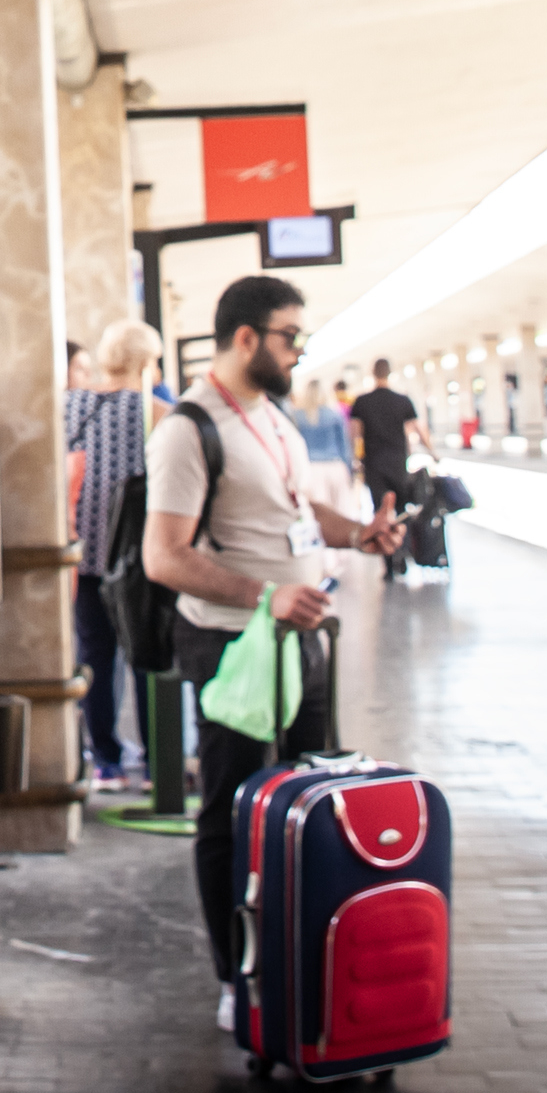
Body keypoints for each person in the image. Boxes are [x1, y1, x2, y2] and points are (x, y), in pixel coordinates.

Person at [143, 275, 399, 1031]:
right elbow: (164, 555)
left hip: (299, 639)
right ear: (247, 337)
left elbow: (294, 507)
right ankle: (235, 976)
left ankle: (291, 954)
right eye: (291, 335)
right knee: (230, 810)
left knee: (302, 805)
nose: (300, 350)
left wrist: (356, 533)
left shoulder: (273, 418)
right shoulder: (189, 429)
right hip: (231, 644)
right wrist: (265, 596)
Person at [65, 320, 162, 784]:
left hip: (83, 556)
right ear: (145, 364)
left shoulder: (72, 405)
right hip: (137, 559)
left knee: (96, 656)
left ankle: (104, 758)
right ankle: (157, 758)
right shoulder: (156, 413)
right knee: (148, 654)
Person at [348, 358, 425, 578]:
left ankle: (389, 564)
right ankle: (402, 556)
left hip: (374, 464)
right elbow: (415, 430)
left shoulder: (362, 402)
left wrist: (355, 460)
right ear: (390, 373)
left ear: (373, 373)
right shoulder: (402, 401)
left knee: (380, 511)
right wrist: (432, 453)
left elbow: (355, 434)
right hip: (398, 463)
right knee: (401, 511)